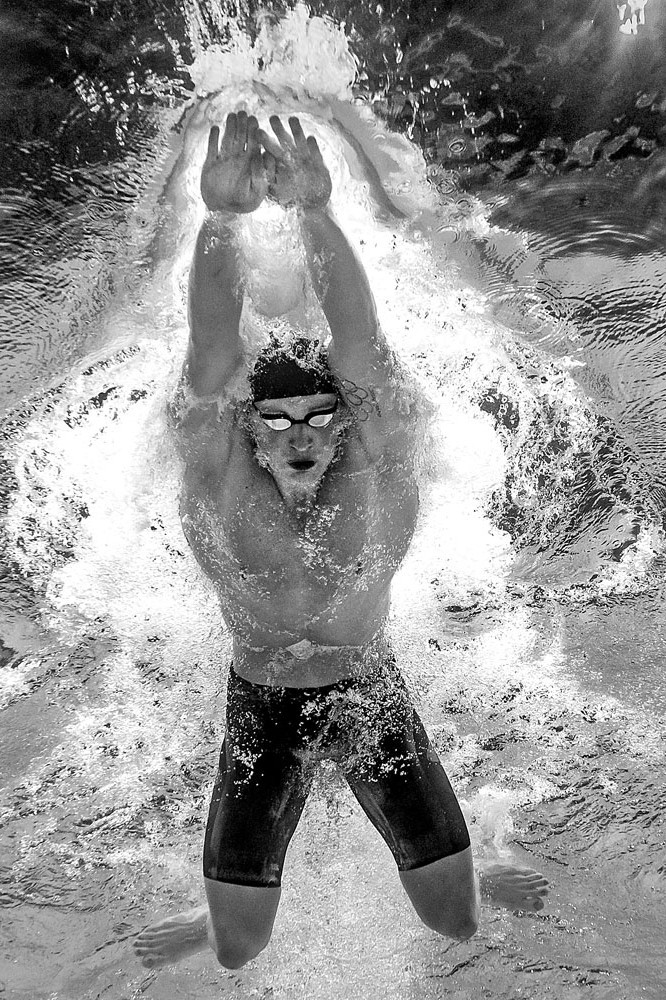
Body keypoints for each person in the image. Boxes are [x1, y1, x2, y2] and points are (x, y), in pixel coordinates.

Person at [134, 110, 548, 970]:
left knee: (456, 925)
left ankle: (490, 852)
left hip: (368, 698)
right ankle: (209, 914)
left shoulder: (379, 470)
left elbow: (360, 345)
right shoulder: (218, 475)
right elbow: (212, 351)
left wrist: (317, 215)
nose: (300, 437)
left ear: (343, 424)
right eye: (278, 419)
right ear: (249, 430)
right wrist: (222, 224)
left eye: (320, 417)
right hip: (263, 711)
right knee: (238, 951)